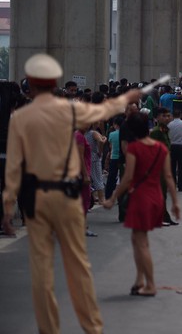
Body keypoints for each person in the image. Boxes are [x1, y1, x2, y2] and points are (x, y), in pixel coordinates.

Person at [1, 53, 141, 334]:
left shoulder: (20, 118)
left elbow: (14, 168)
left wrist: (7, 210)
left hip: (37, 200)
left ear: (30, 86)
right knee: (78, 266)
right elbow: (104, 111)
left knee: (42, 271)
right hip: (67, 196)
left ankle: (49, 329)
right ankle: (92, 327)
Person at [103, 113, 180, 297]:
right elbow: (169, 176)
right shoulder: (161, 147)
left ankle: (151, 284)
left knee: (142, 243)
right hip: (156, 198)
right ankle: (139, 280)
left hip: (140, 198)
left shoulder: (134, 149)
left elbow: (128, 177)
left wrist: (113, 197)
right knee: (137, 240)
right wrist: (175, 203)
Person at [150, 107, 177, 225]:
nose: (167, 118)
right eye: (163, 116)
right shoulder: (156, 131)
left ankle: (164, 216)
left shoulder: (164, 130)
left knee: (163, 191)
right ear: (156, 118)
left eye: (168, 115)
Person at [168, 109, 182, 192]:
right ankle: (181, 186)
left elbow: (168, 135)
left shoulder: (169, 125)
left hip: (172, 147)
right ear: (180, 115)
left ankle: (173, 185)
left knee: (172, 167)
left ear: (172, 116)